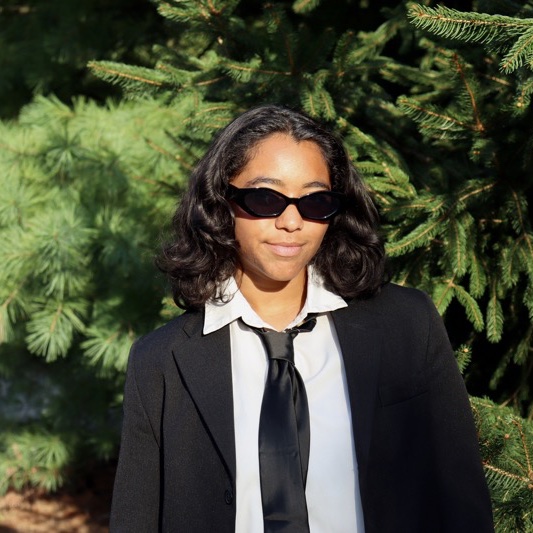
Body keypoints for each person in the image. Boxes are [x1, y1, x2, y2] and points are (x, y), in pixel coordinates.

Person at [109, 105, 494, 532]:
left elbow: (462, 501)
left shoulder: (406, 324)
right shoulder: (161, 360)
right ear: (221, 202)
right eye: (265, 198)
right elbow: (137, 517)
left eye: (316, 201)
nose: (291, 221)